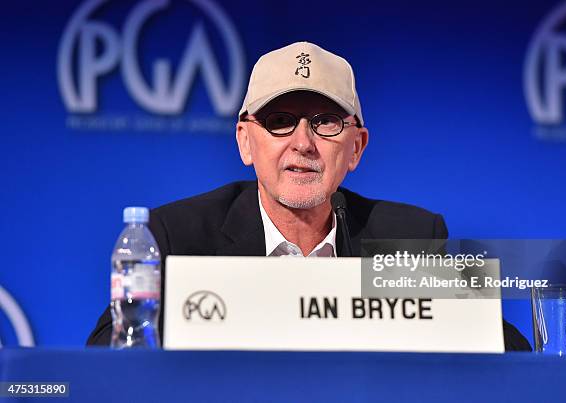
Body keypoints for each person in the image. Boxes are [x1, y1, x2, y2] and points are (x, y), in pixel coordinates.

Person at [87, 42, 530, 351]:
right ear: (245, 141)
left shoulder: (404, 237)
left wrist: (457, 302)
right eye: (280, 120)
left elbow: (506, 351)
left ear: (355, 147)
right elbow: (109, 358)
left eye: (325, 122)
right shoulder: (177, 238)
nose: (302, 142)